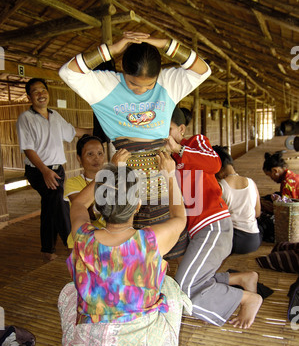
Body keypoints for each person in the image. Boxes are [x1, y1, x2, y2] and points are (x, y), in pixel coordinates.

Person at [59, 30, 211, 259]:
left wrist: (163, 43)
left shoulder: (168, 82)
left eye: (148, 86)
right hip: (125, 175)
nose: (140, 90)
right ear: (123, 72)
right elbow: (67, 72)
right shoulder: (106, 85)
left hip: (161, 172)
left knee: (166, 248)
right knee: (125, 243)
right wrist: (113, 48)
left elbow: (203, 70)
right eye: (132, 83)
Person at [58, 152, 192, 346]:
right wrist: (170, 174)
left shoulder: (82, 237)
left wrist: (110, 172)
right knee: (169, 286)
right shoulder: (151, 241)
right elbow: (180, 216)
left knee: (69, 291)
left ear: (99, 205)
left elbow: (78, 203)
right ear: (137, 205)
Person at [165, 106, 263, 329]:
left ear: (181, 129)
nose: (164, 135)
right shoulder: (169, 158)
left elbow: (214, 164)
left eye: (168, 129)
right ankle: (242, 279)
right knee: (193, 282)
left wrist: (179, 148)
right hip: (199, 231)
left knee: (184, 290)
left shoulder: (195, 143)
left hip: (213, 226)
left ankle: (248, 299)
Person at [16, 78, 91, 261]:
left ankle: (47, 250)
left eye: (43, 90)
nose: (41, 94)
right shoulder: (25, 119)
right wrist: (45, 171)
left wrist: (94, 131)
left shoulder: (55, 115)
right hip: (39, 171)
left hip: (57, 170)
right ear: (29, 97)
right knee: (60, 204)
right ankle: (72, 245)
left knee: (50, 207)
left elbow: (72, 131)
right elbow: (28, 149)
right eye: (36, 91)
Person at [213, 145, 262, 254]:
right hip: (254, 239)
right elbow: (257, 213)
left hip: (234, 242)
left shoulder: (221, 187)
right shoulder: (251, 182)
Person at [64, 134, 107, 248]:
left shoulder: (112, 180)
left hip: (107, 241)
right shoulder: (73, 183)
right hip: (82, 243)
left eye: (100, 153)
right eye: (90, 154)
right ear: (79, 158)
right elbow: (89, 213)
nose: (96, 158)